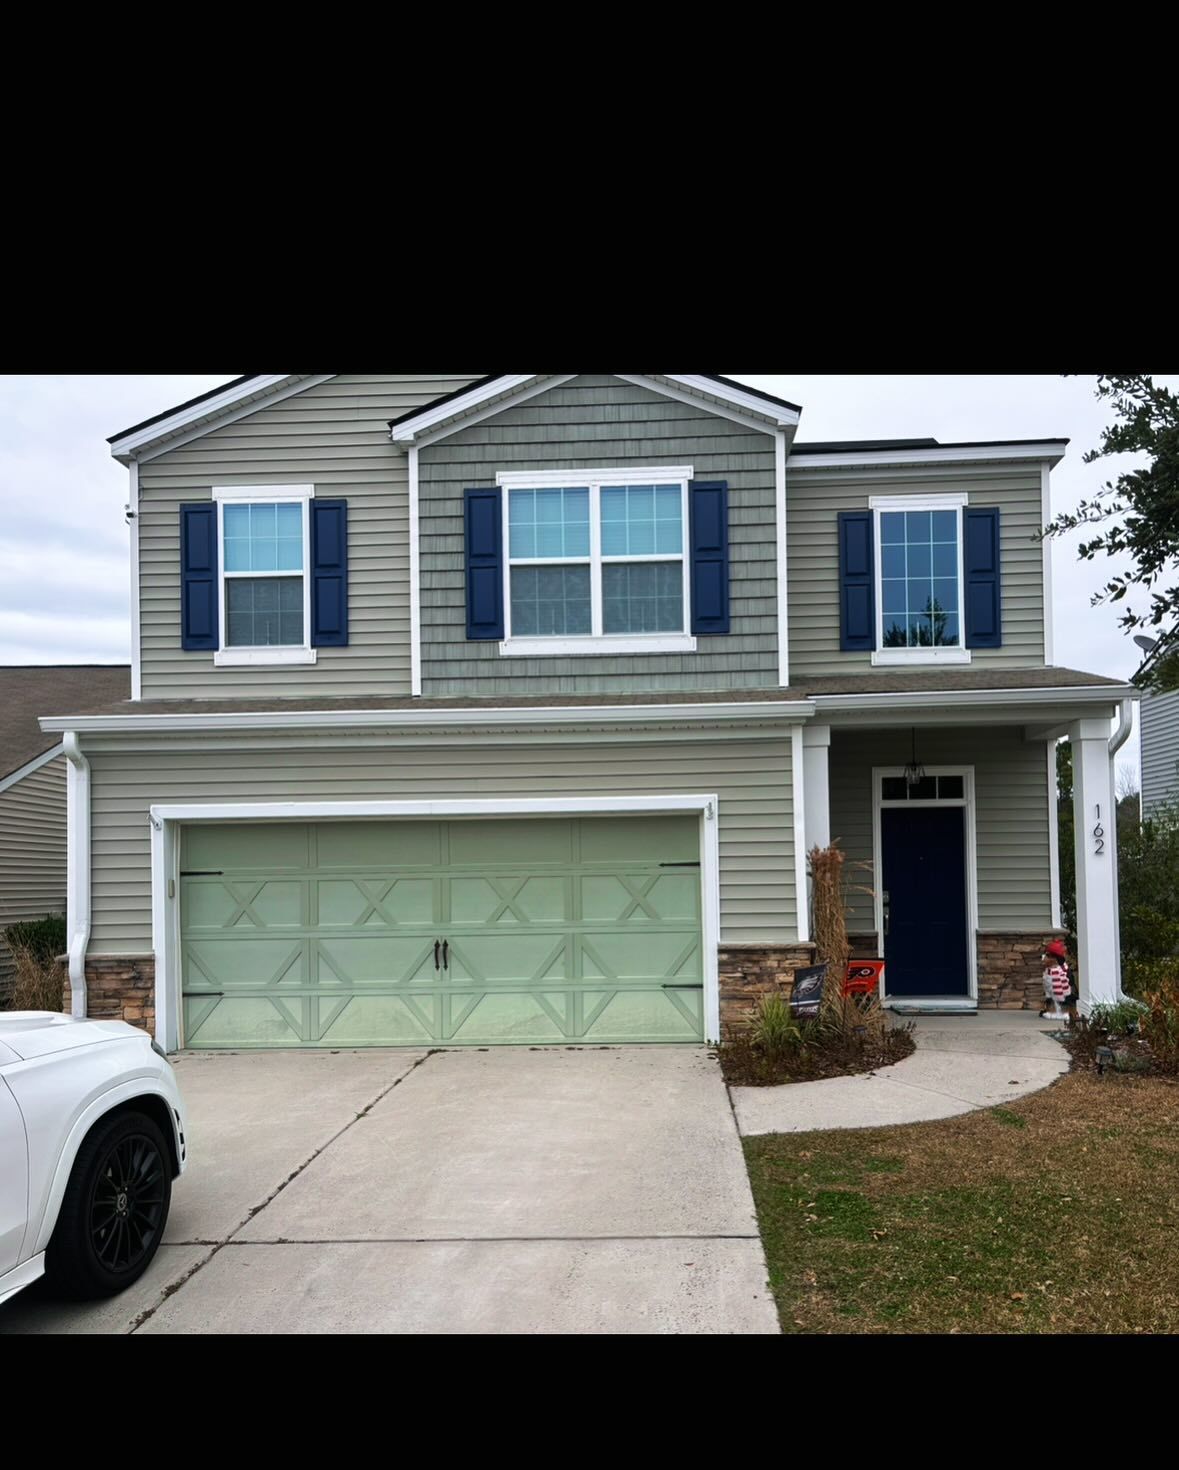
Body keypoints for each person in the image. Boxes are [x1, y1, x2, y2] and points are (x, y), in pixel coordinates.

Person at [1040, 938, 1075, 1022]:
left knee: (1066, 997)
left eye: (1047, 955)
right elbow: (1048, 992)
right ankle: (1051, 1011)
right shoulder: (1048, 972)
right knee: (1049, 996)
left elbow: (1068, 992)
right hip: (1053, 998)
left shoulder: (1063, 973)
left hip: (1065, 998)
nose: (1043, 957)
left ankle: (1065, 1011)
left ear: (1056, 959)